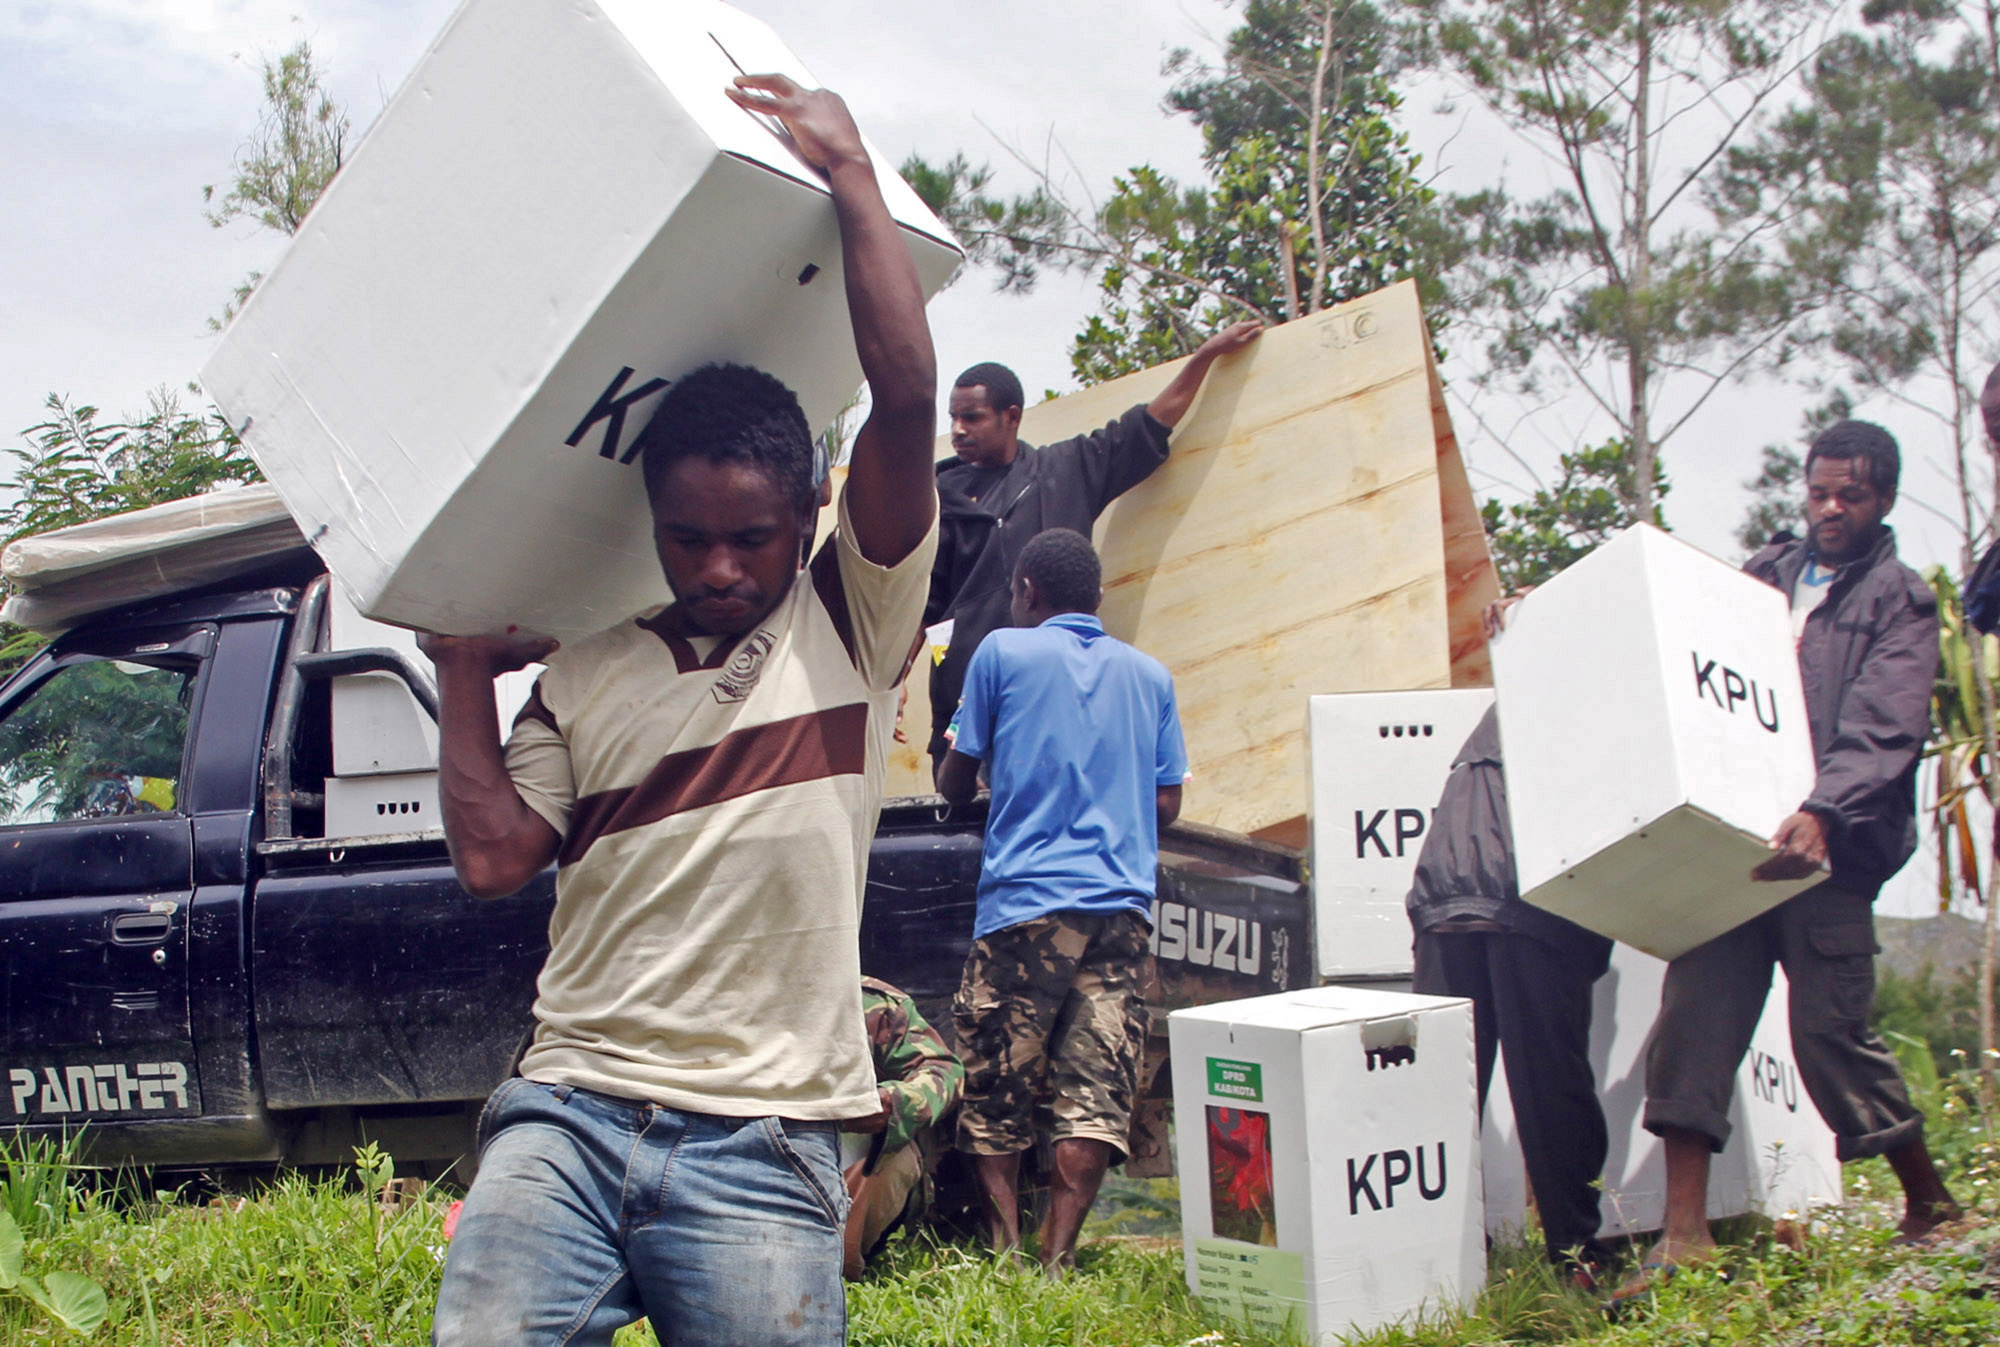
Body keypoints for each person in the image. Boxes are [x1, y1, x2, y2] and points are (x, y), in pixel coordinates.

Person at [421, 74, 938, 1346]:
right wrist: (458, 673)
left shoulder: (847, 621)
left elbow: (907, 403)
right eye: (687, 539)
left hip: (766, 1136)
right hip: (569, 1111)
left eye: (750, 538)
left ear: (808, 510)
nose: (717, 568)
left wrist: (851, 175)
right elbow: (494, 859)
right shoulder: (584, 667)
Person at [1623, 420, 1961, 1303]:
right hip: (1731, 851)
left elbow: (1886, 724)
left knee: (1829, 1030)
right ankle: (1684, 1234)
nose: (1831, 508)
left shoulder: (1899, 599)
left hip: (1831, 855)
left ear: (1882, 498)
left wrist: (1824, 809)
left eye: (1850, 494)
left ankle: (1928, 1200)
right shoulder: (1763, 577)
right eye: (1819, 492)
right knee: (1694, 1016)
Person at [935, 527, 1187, 1273]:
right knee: (1095, 1084)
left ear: (1027, 592)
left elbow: (955, 780)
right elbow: (1167, 800)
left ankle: (1006, 1253)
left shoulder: (1001, 653)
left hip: (1025, 905)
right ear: (1098, 598)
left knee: (997, 1081)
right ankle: (1058, 1259)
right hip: (1120, 912)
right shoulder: (1151, 675)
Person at [924, 321, 1262, 778]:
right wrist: (895, 681)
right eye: (953, 418)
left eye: (972, 418)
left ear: (1012, 416)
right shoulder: (937, 495)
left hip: (1058, 701)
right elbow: (922, 604)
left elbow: (1149, 423)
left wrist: (1204, 357)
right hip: (967, 700)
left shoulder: (1066, 469)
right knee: (967, 824)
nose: (958, 430)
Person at [1405, 704, 1614, 1282]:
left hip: (1447, 886)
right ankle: (1578, 1257)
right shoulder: (1600, 672)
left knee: (1437, 1097)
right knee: (1552, 1085)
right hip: (1534, 890)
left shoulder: (1526, 666)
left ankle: (1424, 1261)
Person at [841, 976, 964, 1279]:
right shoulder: (726, 990)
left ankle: (842, 1264)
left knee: (892, 1154)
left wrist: (895, 1102)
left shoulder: (869, 1001)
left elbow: (943, 1069)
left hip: (845, 1163)